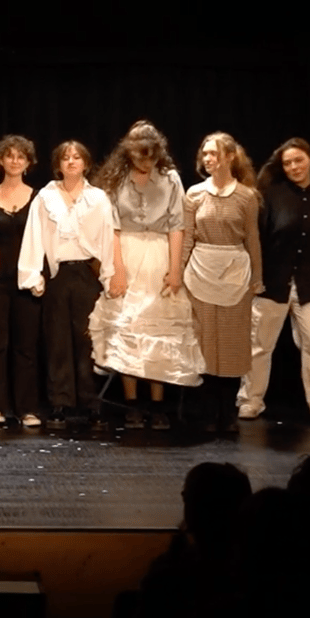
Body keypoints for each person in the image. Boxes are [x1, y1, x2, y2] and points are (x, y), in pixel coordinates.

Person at [89, 120, 202, 431]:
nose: (145, 163)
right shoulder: (115, 179)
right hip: (126, 251)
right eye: (140, 157)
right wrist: (117, 269)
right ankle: (132, 403)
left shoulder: (170, 178)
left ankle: (157, 404)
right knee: (128, 328)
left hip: (159, 254)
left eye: (151, 158)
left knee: (159, 331)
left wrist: (175, 269)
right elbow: (111, 227)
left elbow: (177, 225)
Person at [237, 137, 310, 428]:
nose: (293, 167)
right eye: (287, 163)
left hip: (309, 285)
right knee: (259, 345)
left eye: (298, 160)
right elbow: (258, 239)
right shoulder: (272, 196)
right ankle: (250, 400)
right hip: (272, 283)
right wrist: (254, 277)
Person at [17, 140, 117, 431]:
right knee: (57, 340)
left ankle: (92, 402)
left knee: (88, 339)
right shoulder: (46, 196)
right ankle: (59, 401)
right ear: (58, 165)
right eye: (65, 158)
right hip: (59, 273)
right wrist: (33, 275)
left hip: (87, 273)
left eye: (77, 157)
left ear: (86, 163)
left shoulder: (98, 198)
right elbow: (34, 235)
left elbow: (107, 238)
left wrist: (109, 276)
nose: (71, 162)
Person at [181, 132, 263, 432]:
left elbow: (252, 238)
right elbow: (187, 236)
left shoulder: (246, 196)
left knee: (231, 345)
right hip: (201, 271)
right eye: (204, 154)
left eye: (213, 153)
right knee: (204, 344)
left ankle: (227, 414)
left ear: (230, 156)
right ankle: (204, 413)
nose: (207, 159)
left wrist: (257, 277)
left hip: (234, 273)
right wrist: (177, 272)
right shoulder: (194, 194)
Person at [0, 135, 43, 428]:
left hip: (27, 283)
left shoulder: (38, 198)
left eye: (21, 156)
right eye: (10, 156)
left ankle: (26, 409)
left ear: (28, 162)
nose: (15, 161)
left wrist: (41, 276)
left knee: (26, 348)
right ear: (0, 160)